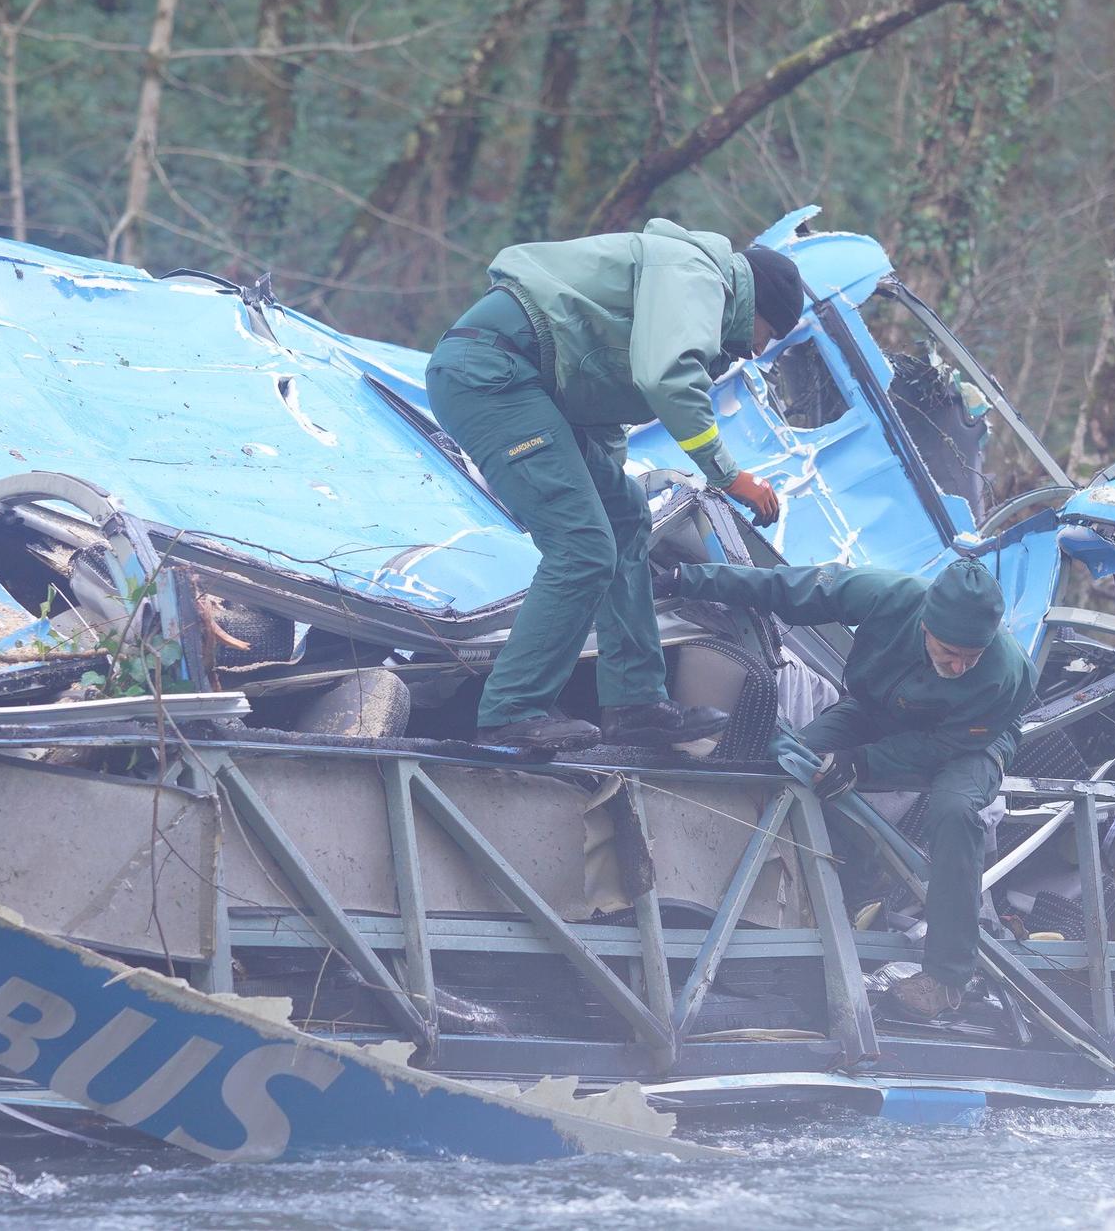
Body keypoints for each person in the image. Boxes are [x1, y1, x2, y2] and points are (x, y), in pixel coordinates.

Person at [426, 220, 807, 752]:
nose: (755, 350)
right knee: (582, 547)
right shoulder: (699, 275)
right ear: (756, 308)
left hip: (536, 388)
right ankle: (511, 711)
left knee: (626, 518)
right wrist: (730, 475)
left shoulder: (683, 284)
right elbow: (666, 377)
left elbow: (600, 401)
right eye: (769, 335)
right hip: (493, 374)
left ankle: (634, 702)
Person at [666, 556, 1035, 1016]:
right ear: (925, 624)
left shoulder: (1007, 674)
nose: (959, 667)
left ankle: (946, 977)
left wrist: (861, 762)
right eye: (949, 651)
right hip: (877, 709)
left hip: (968, 740)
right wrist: (686, 576)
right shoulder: (885, 594)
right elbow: (787, 586)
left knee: (955, 811)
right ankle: (780, 910)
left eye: (971, 657)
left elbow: (940, 747)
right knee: (791, 767)